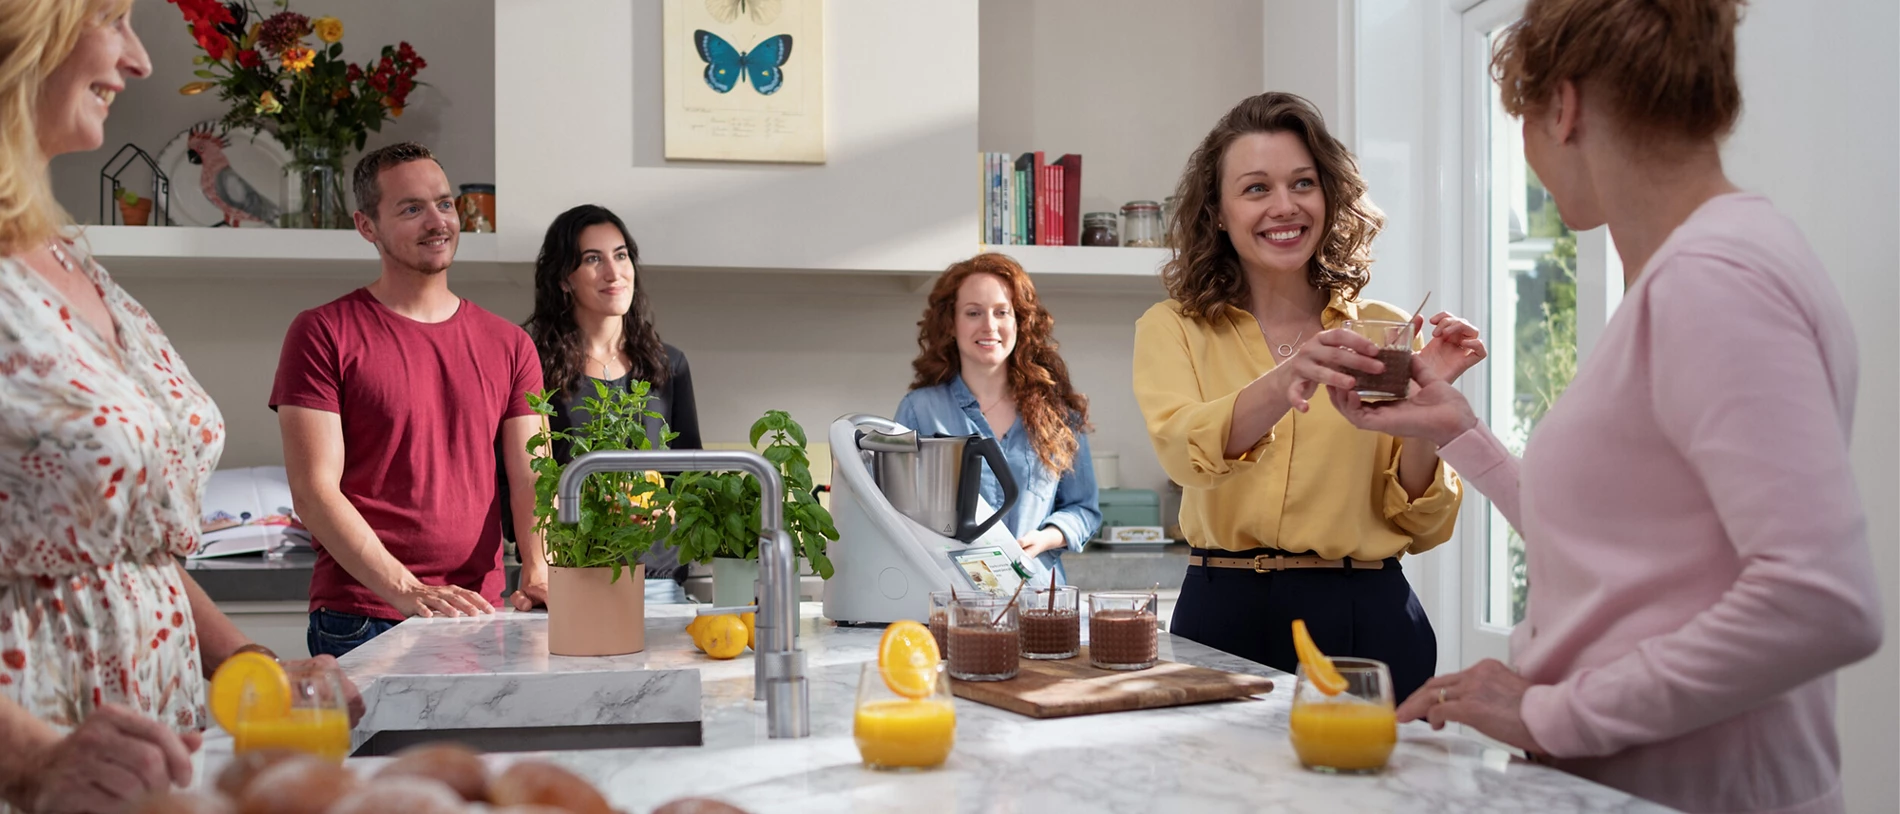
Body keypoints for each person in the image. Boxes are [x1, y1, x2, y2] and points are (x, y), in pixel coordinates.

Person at [1330, 2, 1882, 811]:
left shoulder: (1711, 283)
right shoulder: (1711, 267)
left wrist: (1548, 710)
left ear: (1564, 106)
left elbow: (1823, 604)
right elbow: (1635, 551)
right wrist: (1461, 433)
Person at [0, 2, 356, 809]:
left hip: (151, 764)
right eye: (113, 19)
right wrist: (26, 759)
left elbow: (125, 547)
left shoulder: (62, 253)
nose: (139, 61)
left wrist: (243, 664)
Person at [1131, 92, 1486, 701]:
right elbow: (1182, 451)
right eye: (1255, 188)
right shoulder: (1174, 327)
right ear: (1217, 210)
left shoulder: (1383, 328)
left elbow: (1420, 524)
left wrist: (1429, 420)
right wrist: (1287, 379)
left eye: (1303, 183)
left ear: (1329, 197)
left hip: (1366, 614)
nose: (1285, 205)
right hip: (1223, 612)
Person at [272, 142, 546, 657]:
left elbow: (534, 474)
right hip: (365, 616)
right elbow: (312, 491)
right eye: (411, 209)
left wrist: (537, 568)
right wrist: (406, 590)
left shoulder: (510, 344)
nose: (437, 221)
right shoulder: (323, 332)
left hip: (481, 614)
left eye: (444, 203)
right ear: (366, 226)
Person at [513, 204, 701, 607]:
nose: (614, 273)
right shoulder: (533, 366)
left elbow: (690, 478)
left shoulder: (669, 366)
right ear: (565, 278)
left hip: (658, 582)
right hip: (570, 578)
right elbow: (521, 481)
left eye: (620, 255)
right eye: (592, 259)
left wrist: (669, 511)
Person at [896, 253, 1100, 585]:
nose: (989, 326)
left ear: (1020, 321)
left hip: (1038, 599)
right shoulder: (920, 410)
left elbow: (1085, 509)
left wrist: (1048, 536)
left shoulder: (1059, 414)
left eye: (1001, 312)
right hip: (950, 597)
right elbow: (898, 515)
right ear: (952, 323)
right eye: (973, 312)